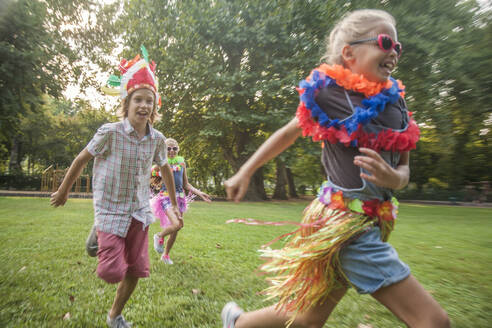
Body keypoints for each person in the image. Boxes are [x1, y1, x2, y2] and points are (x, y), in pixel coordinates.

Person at [221, 9, 450, 328]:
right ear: (349, 53)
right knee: (433, 321)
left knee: (307, 320)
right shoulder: (329, 92)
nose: (394, 52)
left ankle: (239, 322)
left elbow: (404, 174)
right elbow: (288, 133)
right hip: (344, 228)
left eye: (398, 47)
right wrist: (245, 171)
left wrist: (392, 178)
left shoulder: (397, 103)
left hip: (374, 223)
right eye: (386, 42)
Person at [50, 46, 181, 328]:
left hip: (137, 211)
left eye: (150, 101)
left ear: (154, 107)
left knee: (136, 269)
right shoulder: (109, 132)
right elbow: (81, 158)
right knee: (111, 272)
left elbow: (166, 170)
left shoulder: (158, 139)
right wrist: (63, 190)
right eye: (138, 100)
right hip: (109, 208)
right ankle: (98, 235)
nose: (144, 105)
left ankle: (115, 316)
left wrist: (171, 203)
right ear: (127, 103)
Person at [150, 138, 212, 264]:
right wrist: (156, 171)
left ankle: (166, 255)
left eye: (174, 148)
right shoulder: (162, 164)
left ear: (178, 149)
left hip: (180, 199)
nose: (172, 151)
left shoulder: (182, 164)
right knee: (177, 224)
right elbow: (150, 174)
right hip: (165, 197)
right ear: (164, 150)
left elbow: (186, 184)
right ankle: (159, 236)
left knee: (176, 228)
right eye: (168, 149)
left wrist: (200, 193)